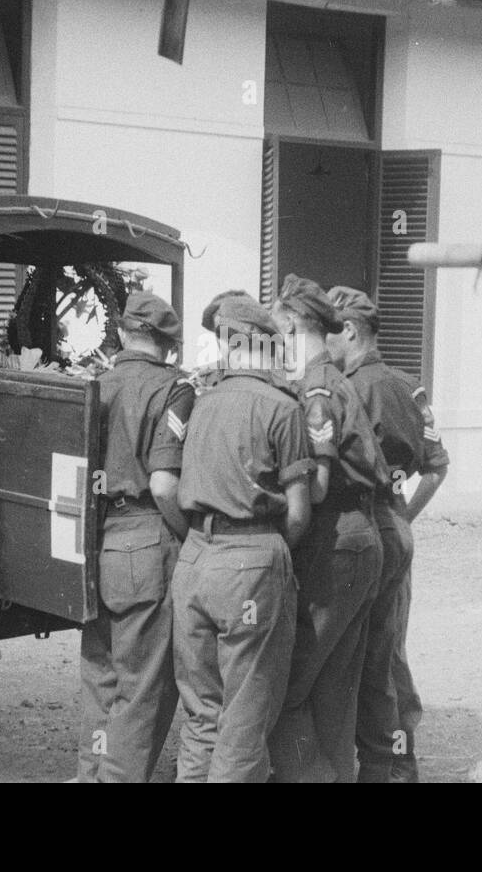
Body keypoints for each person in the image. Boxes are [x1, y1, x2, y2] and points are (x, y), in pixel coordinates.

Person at [172, 295, 314, 782]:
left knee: (200, 715)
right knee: (245, 717)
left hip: (193, 559)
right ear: (265, 344)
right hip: (250, 559)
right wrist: (268, 556)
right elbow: (299, 513)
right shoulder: (283, 407)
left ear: (228, 344)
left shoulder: (200, 402)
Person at [326, 285, 449, 783]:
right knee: (387, 649)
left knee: (350, 652)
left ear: (349, 332)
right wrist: (402, 517)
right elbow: (438, 469)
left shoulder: (345, 389)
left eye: (327, 331)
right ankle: (397, 764)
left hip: (358, 525)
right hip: (395, 526)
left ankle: (369, 764)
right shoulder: (407, 386)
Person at [266, 274, 385, 783]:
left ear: (291, 322)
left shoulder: (315, 389)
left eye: (274, 329)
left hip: (334, 539)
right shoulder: (333, 378)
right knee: (335, 689)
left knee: (285, 687)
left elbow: (315, 485)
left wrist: (270, 501)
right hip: (361, 535)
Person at [77, 291, 194, 783]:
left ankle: (91, 775)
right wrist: (189, 537)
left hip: (96, 542)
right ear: (168, 344)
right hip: (148, 538)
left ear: (122, 334)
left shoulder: (93, 386)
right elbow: (165, 482)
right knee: (144, 683)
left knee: (101, 677)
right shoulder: (176, 389)